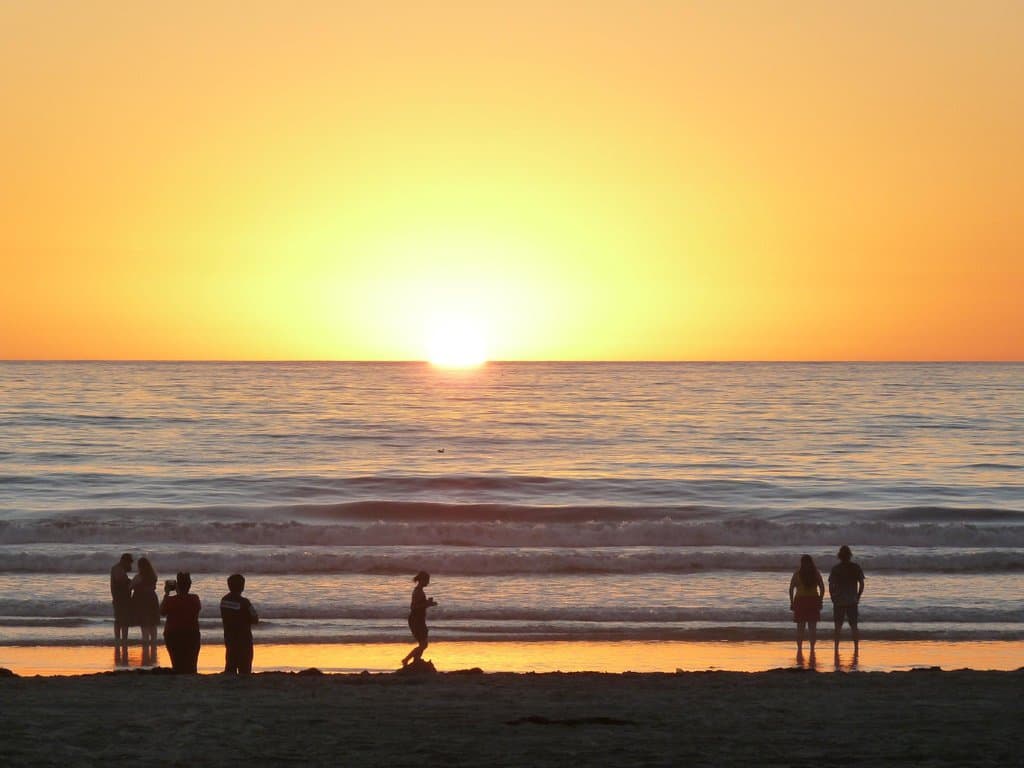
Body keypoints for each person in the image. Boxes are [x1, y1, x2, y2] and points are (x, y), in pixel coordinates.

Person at [160, 572, 201, 673]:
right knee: (191, 665)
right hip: (191, 634)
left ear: (177, 585)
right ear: (189, 584)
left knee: (177, 664)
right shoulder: (195, 599)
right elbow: (196, 609)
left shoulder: (170, 600)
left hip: (173, 634)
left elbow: (161, 612)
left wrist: (166, 594)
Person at [829, 545, 865, 656]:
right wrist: (858, 596)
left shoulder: (836, 569)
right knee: (854, 625)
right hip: (852, 600)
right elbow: (862, 584)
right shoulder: (856, 567)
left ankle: (836, 648)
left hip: (839, 600)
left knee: (838, 626)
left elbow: (831, 585)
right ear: (850, 555)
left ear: (840, 556)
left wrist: (833, 597)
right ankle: (856, 648)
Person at [220, 574, 259, 674]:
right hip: (244, 640)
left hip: (230, 638)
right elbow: (255, 619)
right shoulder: (245, 602)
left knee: (230, 666)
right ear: (242, 587)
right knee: (245, 669)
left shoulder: (224, 601)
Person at [789, 554, 825, 659]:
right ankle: (812, 649)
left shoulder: (797, 574)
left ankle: (800, 649)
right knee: (812, 627)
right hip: (813, 600)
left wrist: (792, 601)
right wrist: (820, 599)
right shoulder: (816, 573)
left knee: (800, 628)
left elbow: (791, 588)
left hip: (800, 601)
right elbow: (822, 588)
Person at [401, 571, 437, 667]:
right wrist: (427, 604)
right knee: (423, 644)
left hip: (419, 619)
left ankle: (416, 660)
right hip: (416, 620)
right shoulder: (417, 592)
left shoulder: (420, 591)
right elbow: (414, 607)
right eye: (427, 580)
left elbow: (420, 605)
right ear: (422, 580)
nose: (428, 583)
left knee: (423, 644)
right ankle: (406, 660)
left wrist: (428, 603)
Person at [131, 557, 161, 665]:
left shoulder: (139, 577)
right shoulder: (154, 576)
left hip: (142, 601)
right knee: (153, 624)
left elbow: (131, 586)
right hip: (152, 599)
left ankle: (146, 647)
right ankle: (153, 648)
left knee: (144, 625)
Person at [110, 553, 133, 661]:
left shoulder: (119, 569)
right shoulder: (117, 569)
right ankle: (121, 640)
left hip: (121, 598)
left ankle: (121, 640)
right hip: (120, 599)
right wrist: (132, 582)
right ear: (124, 561)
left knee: (122, 620)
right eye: (129, 563)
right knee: (121, 620)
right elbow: (121, 582)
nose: (130, 565)